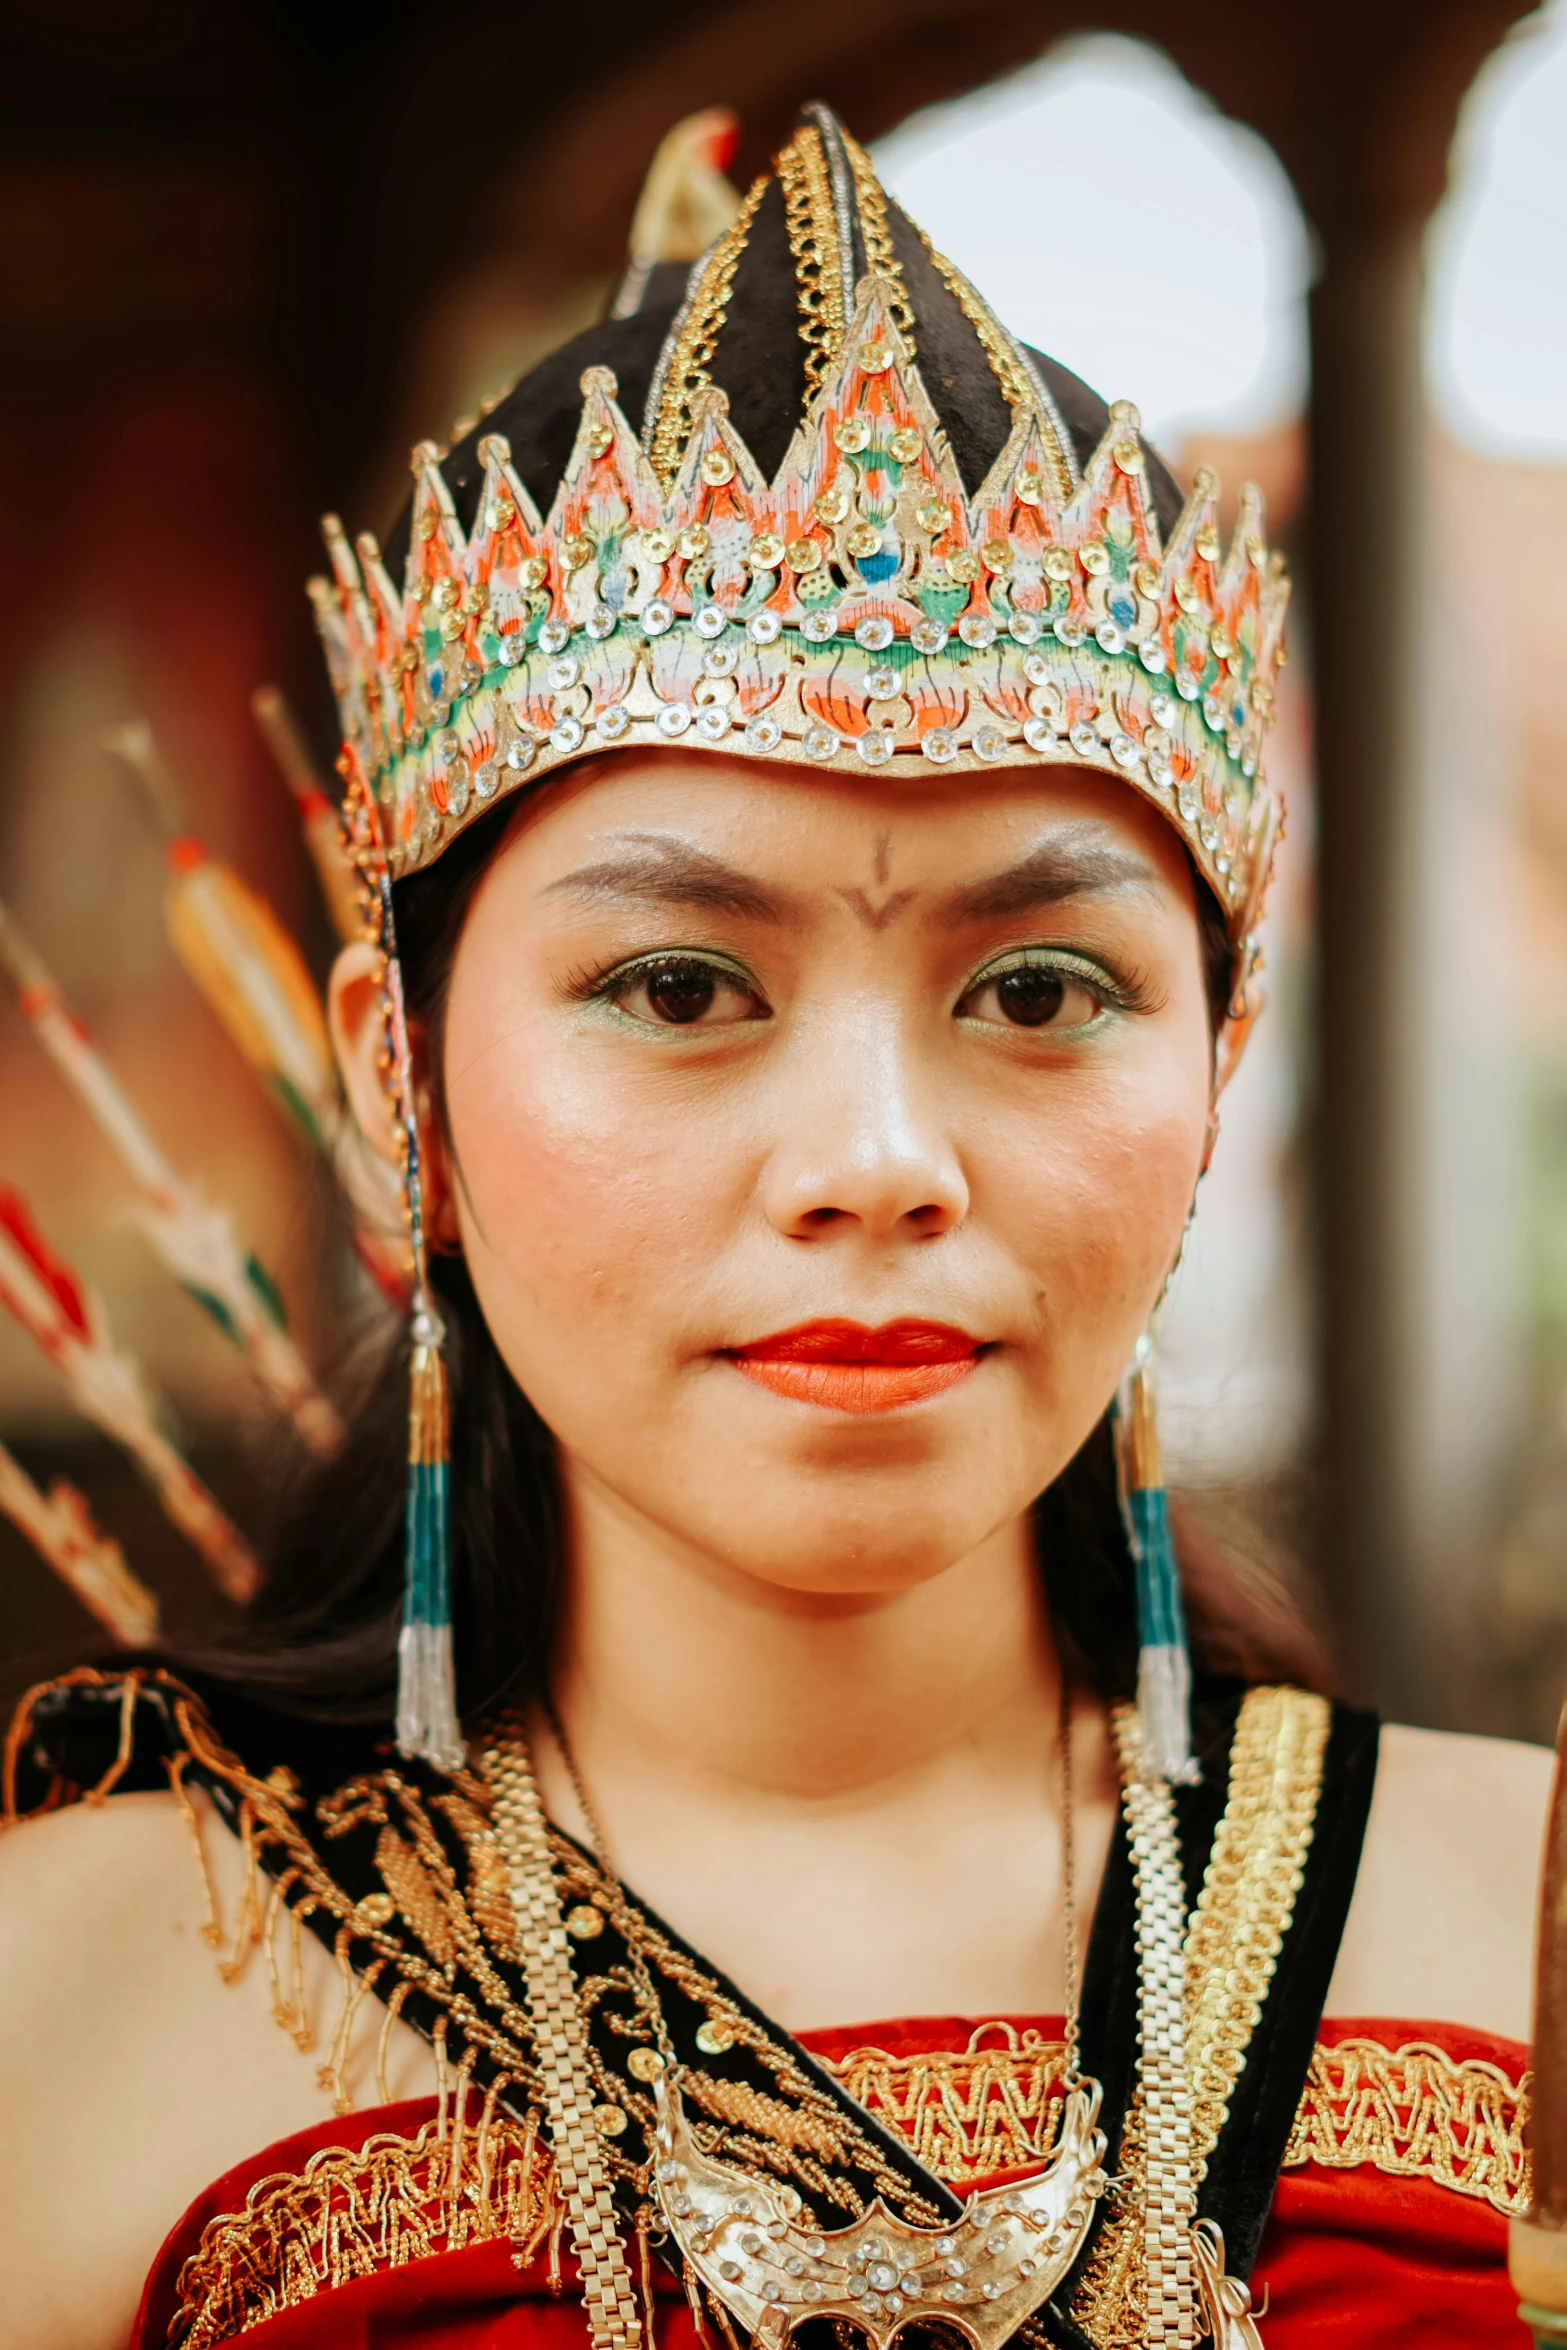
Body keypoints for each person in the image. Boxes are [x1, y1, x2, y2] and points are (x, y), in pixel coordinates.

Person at [0, 104, 1547, 2350]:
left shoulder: (1529, 1929)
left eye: (1039, 990)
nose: (879, 1157)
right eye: (680, 987)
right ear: (395, 1085)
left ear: (1218, 1067)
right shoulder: (76, 1996)